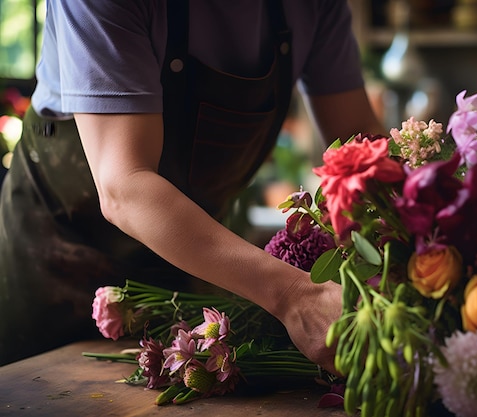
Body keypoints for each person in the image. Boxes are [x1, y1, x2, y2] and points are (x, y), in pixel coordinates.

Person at [0, 0, 386, 369]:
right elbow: (124, 186)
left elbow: (358, 141)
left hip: (190, 266)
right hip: (54, 266)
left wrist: (412, 233)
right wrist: (293, 295)